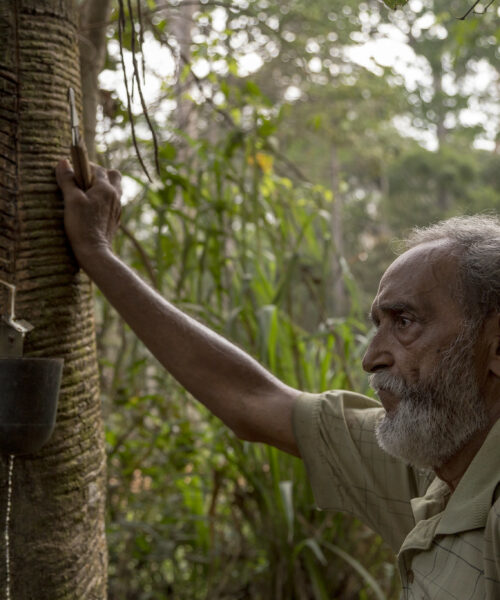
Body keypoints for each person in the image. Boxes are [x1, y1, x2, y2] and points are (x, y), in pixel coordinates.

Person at [56, 159, 500, 599]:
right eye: (377, 325)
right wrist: (97, 254)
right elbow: (252, 400)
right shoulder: (437, 465)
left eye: (404, 322)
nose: (371, 358)